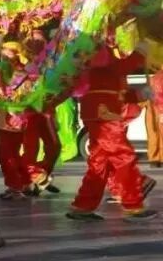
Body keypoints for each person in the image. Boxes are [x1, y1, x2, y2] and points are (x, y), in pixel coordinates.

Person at [67, 44, 158, 222]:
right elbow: (117, 69)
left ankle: (83, 206)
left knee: (99, 163)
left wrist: (139, 95)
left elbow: (115, 89)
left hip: (100, 111)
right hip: (104, 114)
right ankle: (133, 204)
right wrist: (139, 53)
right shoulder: (96, 51)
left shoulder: (99, 60)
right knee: (124, 157)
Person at [0, 42, 34, 200]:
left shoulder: (22, 76)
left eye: (7, 53)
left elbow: (24, 97)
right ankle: (25, 182)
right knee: (12, 154)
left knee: (6, 154)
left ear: (16, 55)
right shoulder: (2, 72)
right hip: (7, 118)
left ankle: (15, 187)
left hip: (14, 119)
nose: (3, 56)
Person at [21, 30, 61, 192]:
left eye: (40, 42)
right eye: (32, 42)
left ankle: (41, 175)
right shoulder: (20, 64)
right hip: (28, 113)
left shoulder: (51, 62)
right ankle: (33, 179)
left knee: (54, 146)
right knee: (30, 150)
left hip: (45, 112)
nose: (36, 45)